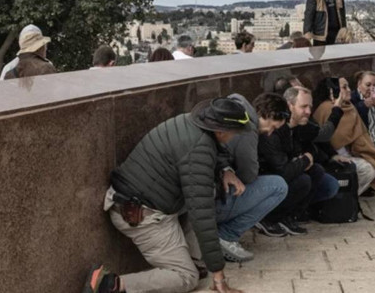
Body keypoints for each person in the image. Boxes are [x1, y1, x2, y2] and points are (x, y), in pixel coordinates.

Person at [83, 98, 253, 293]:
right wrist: (219, 275)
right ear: (221, 130)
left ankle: (194, 262)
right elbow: (202, 215)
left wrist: (224, 169)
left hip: (141, 200)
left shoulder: (190, 123)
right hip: (141, 214)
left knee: (208, 194)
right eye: (235, 133)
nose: (235, 137)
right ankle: (109, 284)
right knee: (187, 277)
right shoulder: (198, 148)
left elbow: (215, 151)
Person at [215, 93, 291, 262]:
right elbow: (248, 174)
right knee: (278, 186)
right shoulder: (247, 129)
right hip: (212, 201)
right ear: (268, 115)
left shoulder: (234, 109)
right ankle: (226, 235)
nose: (270, 133)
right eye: (273, 127)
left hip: (200, 198)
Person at [256, 86, 339, 236]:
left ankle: (291, 215)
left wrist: (308, 157)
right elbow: (282, 170)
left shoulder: (301, 124)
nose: (308, 111)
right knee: (303, 180)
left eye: (310, 107)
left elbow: (318, 141)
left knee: (319, 174)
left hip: (287, 170)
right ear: (290, 106)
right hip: (269, 177)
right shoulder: (273, 129)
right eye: (303, 106)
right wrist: (304, 160)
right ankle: (269, 218)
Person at [312, 77, 375, 195]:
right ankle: (346, 198)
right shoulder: (326, 108)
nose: (349, 90)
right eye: (344, 87)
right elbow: (330, 139)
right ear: (332, 91)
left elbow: (360, 134)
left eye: (348, 86)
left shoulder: (349, 107)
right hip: (332, 156)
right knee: (367, 170)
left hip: (351, 152)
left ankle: (351, 197)